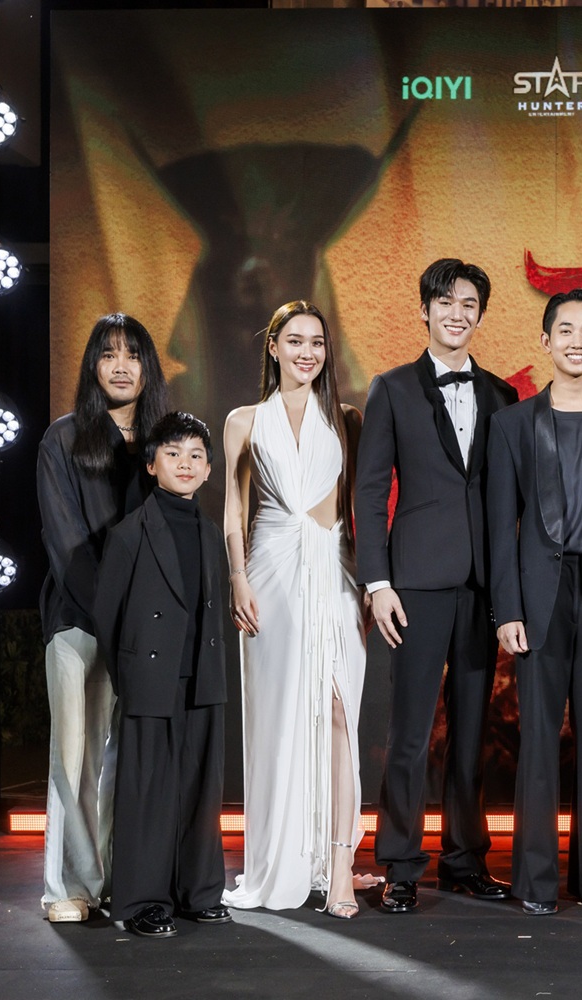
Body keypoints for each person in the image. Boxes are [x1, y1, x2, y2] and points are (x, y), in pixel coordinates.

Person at [356, 258, 518, 913]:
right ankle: (399, 865)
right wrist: (377, 581)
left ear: (480, 315)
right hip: (414, 584)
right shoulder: (392, 388)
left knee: (474, 732)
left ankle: (464, 860)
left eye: (469, 303)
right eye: (446, 301)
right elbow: (370, 493)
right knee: (410, 733)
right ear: (424, 310)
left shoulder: (503, 395)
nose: (457, 313)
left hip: (481, 587)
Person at [487, 289, 582, 915]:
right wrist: (507, 609)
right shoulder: (512, 425)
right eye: (565, 330)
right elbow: (500, 526)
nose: (577, 341)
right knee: (539, 742)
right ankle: (535, 881)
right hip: (539, 598)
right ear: (545, 341)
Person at [220, 301, 371, 917]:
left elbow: (359, 507)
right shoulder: (243, 421)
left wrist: (370, 581)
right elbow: (234, 507)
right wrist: (237, 577)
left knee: (338, 713)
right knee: (280, 718)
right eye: (295, 340)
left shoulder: (347, 418)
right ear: (274, 347)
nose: (307, 352)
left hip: (334, 572)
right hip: (270, 574)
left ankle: (339, 867)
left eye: (317, 342)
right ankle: (283, 860)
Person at [36, 313, 167, 923]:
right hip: (79, 618)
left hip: (143, 627)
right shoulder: (63, 439)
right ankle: (68, 887)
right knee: (74, 752)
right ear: (92, 365)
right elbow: (65, 542)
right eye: (108, 354)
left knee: (125, 759)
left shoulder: (163, 447)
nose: (121, 366)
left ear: (148, 367)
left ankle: (116, 879)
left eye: (132, 355)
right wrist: (112, 613)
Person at [92, 412, 230, 938]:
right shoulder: (129, 534)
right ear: (151, 465)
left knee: (201, 790)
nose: (185, 463)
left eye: (196, 455)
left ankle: (198, 892)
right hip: (151, 677)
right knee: (148, 791)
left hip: (203, 676)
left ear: (209, 468)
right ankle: (143, 900)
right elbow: (107, 618)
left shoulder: (211, 533)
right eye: (173, 454)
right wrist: (132, 676)